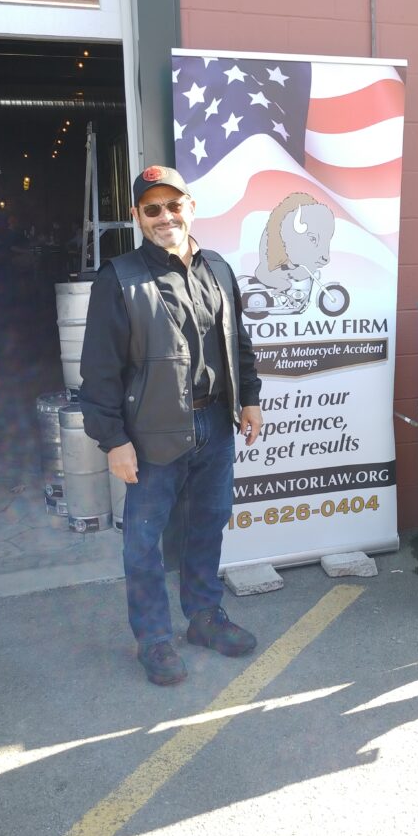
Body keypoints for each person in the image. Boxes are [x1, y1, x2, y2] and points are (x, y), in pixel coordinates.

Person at [79, 165, 263, 686]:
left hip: (214, 424)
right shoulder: (118, 279)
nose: (166, 217)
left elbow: (238, 344)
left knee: (207, 526)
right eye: (152, 209)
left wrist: (249, 399)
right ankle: (154, 639)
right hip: (151, 434)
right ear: (137, 216)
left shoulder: (219, 269)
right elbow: (99, 371)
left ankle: (204, 617)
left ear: (191, 207)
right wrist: (113, 440)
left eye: (173, 205)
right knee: (144, 541)